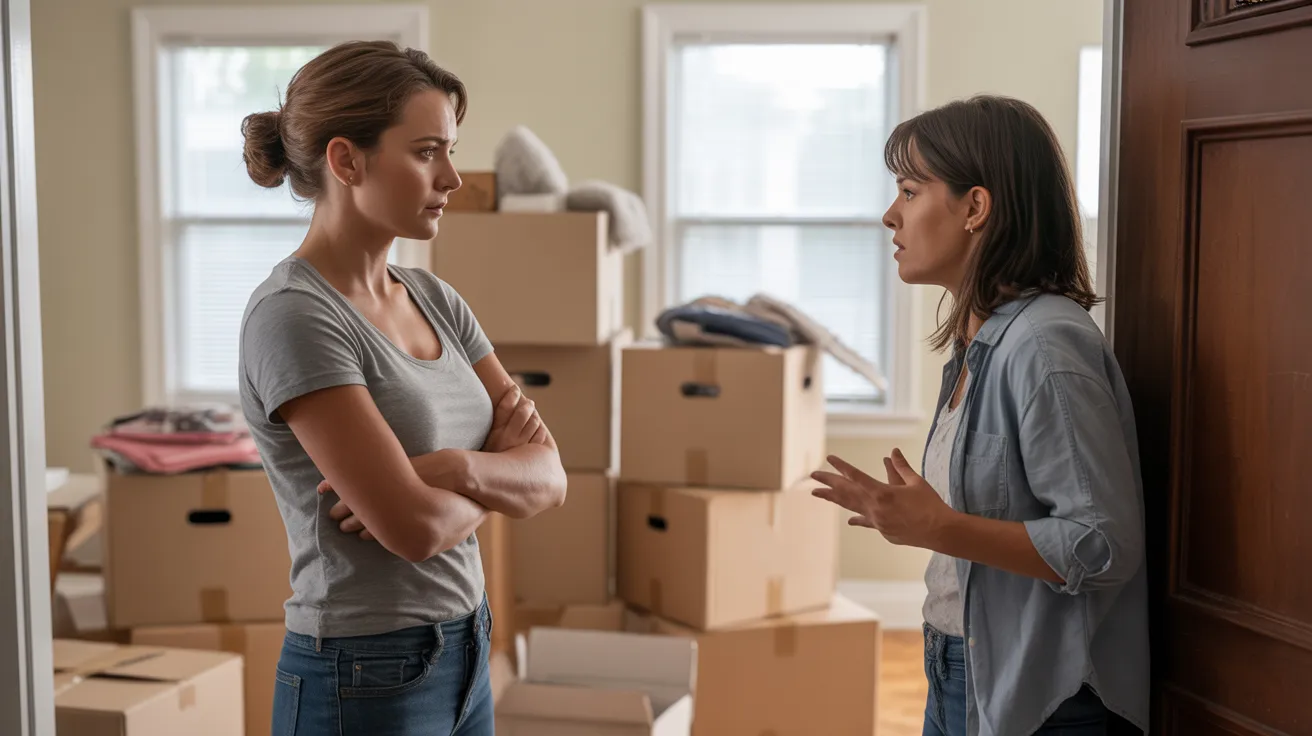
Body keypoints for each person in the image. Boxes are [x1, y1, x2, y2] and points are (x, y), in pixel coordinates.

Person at [237, 40, 567, 736]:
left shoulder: (434, 297)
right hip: (362, 672)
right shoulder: (295, 316)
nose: (453, 176)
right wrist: (494, 478)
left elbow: (551, 480)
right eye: (426, 152)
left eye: (450, 149)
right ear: (346, 160)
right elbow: (413, 531)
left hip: (467, 645)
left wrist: (450, 469)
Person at [811, 96, 1148, 736]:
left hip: (1042, 698)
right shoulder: (983, 342)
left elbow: (1102, 545)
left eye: (909, 191)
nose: (890, 215)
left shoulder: (1045, 346)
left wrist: (939, 526)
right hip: (959, 664)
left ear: (975, 207)